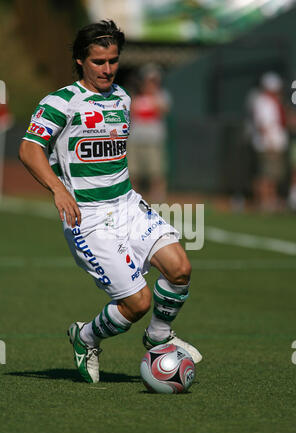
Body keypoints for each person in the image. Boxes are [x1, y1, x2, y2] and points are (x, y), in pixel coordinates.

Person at [18, 20, 202, 384]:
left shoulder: (123, 98)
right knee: (138, 303)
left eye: (113, 60)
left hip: (128, 206)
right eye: (99, 61)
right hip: (87, 218)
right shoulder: (61, 102)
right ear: (80, 61)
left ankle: (159, 336)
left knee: (180, 269)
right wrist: (57, 188)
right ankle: (85, 337)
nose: (108, 69)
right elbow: (28, 149)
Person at [127, 64, 171, 202]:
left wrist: (153, 95)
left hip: (154, 139)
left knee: (156, 172)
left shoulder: (162, 96)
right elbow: (131, 112)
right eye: (149, 80)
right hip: (135, 139)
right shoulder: (134, 97)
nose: (151, 84)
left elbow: (163, 110)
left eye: (154, 81)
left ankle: (158, 199)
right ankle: (133, 199)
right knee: (134, 172)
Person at [246, 72, 289, 212]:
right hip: (267, 145)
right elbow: (263, 125)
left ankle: (269, 201)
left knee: (271, 176)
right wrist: (270, 142)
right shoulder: (263, 102)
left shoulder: (270, 101)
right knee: (265, 176)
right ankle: (264, 203)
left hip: (271, 144)